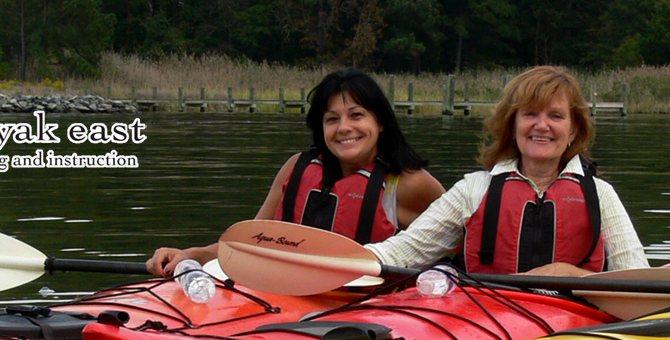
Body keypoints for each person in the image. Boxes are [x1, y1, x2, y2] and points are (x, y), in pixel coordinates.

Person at [145, 68, 445, 276]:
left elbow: (456, 253)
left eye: (356, 116)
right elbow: (249, 242)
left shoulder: (409, 184)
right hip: (288, 298)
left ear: (380, 122)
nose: (344, 128)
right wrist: (191, 255)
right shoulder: (296, 168)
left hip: (369, 310)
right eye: (331, 119)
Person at [366, 66, 646, 277]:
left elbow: (637, 281)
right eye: (530, 114)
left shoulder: (600, 195)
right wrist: (340, 257)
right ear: (512, 126)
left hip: (574, 331)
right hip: (490, 324)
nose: (542, 125)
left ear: (573, 130)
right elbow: (402, 252)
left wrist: (572, 275)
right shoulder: (473, 189)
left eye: (556, 116)